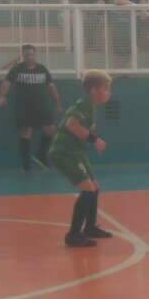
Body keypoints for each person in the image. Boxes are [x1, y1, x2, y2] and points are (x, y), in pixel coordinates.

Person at [48, 70, 113, 248]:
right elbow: (71, 125)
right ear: (93, 90)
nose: (109, 92)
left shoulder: (90, 107)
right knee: (88, 189)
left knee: (94, 187)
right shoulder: (83, 104)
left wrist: (93, 138)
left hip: (76, 152)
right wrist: (95, 140)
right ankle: (73, 235)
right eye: (106, 88)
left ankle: (90, 228)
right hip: (64, 152)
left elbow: (83, 130)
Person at [0, 44, 63, 172]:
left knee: (51, 130)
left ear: (35, 54)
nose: (29, 57)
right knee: (25, 132)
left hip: (42, 106)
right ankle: (26, 165)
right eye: (26, 55)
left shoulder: (42, 69)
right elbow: (7, 82)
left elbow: (51, 86)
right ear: (23, 55)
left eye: (31, 54)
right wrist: (2, 96)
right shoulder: (17, 69)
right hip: (24, 107)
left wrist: (57, 103)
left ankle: (40, 155)